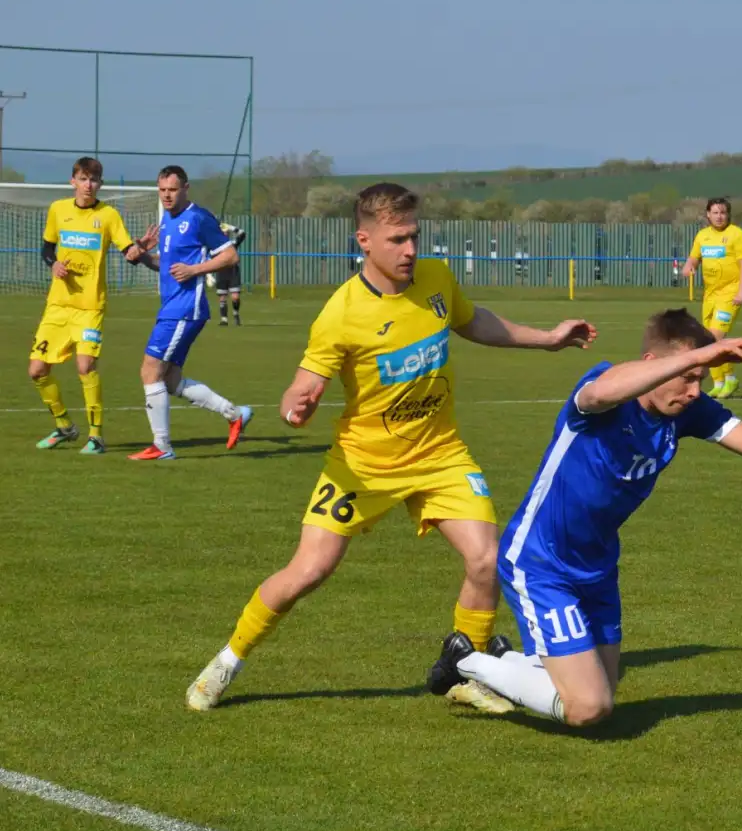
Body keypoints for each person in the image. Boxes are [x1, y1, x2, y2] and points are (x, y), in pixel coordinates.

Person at [185, 182, 597, 713]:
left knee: (486, 559)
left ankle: (461, 666)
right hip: (364, 466)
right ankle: (228, 659)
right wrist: (298, 404)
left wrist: (547, 337)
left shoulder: (435, 280)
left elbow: (473, 321)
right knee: (307, 572)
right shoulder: (342, 313)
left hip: (440, 454)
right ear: (365, 240)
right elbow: (302, 383)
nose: (410, 250)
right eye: (398, 239)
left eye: (414, 237)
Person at [437, 308, 742, 728]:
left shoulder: (687, 410)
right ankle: (465, 658)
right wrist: (696, 358)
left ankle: (509, 660)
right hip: (541, 560)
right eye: (687, 376)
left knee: (604, 687)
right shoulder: (605, 393)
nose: (693, 390)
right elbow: (599, 392)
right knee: (588, 707)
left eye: (700, 379)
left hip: (597, 565)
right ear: (653, 365)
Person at [28, 157, 154, 454]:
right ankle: (64, 427)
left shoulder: (108, 215)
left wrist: (140, 249)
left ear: (100, 184)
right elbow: (47, 248)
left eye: (94, 180)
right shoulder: (58, 210)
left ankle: (96, 436)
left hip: (89, 307)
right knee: (36, 371)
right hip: (57, 306)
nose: (89, 185)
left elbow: (127, 252)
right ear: (72, 181)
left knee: (85, 366)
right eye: (83, 179)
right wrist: (54, 264)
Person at [128, 166, 253, 461]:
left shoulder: (198, 217)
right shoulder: (167, 221)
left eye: (172, 189)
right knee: (170, 381)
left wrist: (195, 269)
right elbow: (167, 265)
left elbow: (230, 255)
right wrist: (143, 255)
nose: (166, 195)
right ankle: (234, 414)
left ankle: (162, 446)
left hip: (185, 308)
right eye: (162, 190)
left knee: (150, 370)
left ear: (185, 188)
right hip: (172, 306)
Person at [680, 197, 742, 399]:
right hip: (710, 295)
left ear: (728, 215)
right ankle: (722, 382)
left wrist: (741, 291)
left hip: (730, 295)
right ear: (708, 215)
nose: (719, 217)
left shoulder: (737, 235)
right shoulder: (703, 236)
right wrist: (689, 266)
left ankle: (727, 380)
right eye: (715, 213)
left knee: (713, 338)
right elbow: (694, 257)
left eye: (723, 213)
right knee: (708, 340)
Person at [214, 222, 247, 326]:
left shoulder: (232, 244)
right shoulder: (215, 245)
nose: (225, 234)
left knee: (235, 297)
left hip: (233, 272)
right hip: (221, 272)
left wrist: (230, 227)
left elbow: (242, 234)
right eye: (223, 233)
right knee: (222, 297)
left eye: (226, 233)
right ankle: (224, 319)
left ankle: (236, 313)